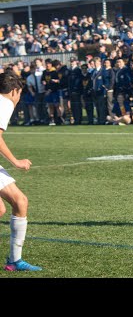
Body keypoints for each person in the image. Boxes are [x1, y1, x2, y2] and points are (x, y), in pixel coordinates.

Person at [0, 71, 42, 271]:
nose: (18, 98)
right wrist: (16, 161)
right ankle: (14, 261)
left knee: (7, 206)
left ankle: (14, 262)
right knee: (20, 201)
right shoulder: (5, 103)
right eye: (19, 93)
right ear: (14, 91)